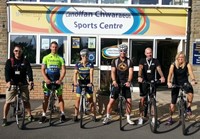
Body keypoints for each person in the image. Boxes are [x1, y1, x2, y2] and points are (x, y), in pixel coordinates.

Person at [2, 45, 34, 126]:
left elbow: (29, 71)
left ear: (22, 52)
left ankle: (29, 115)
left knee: (26, 100)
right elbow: (7, 72)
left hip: (23, 83)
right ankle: (4, 118)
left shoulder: (25, 61)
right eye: (16, 51)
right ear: (13, 51)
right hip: (12, 83)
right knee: (8, 102)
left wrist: (30, 80)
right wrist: (8, 81)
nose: (18, 52)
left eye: (19, 51)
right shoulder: (10, 61)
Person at [102, 44, 135, 125]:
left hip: (125, 83)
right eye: (121, 51)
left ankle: (128, 118)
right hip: (116, 83)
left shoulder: (129, 61)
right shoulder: (115, 61)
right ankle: (107, 116)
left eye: (124, 51)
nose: (122, 52)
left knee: (129, 101)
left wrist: (129, 81)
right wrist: (114, 81)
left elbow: (131, 72)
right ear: (119, 52)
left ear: (126, 52)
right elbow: (113, 71)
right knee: (111, 101)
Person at [166, 51, 197, 125]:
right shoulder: (173, 65)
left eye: (182, 57)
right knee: (172, 104)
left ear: (184, 58)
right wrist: (169, 82)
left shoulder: (187, 64)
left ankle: (188, 108)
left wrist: (193, 80)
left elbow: (191, 73)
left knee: (190, 93)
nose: (180, 59)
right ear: (177, 58)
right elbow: (170, 74)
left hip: (185, 83)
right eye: (179, 57)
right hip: (175, 84)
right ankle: (170, 117)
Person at [39, 41, 66, 123]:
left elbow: (64, 70)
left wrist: (60, 80)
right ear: (50, 48)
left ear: (57, 48)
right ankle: (44, 114)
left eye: (55, 47)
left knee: (60, 97)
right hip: (48, 80)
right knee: (46, 97)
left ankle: (62, 113)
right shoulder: (46, 57)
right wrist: (46, 79)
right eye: (53, 47)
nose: (54, 48)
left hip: (57, 80)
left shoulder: (60, 58)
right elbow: (42, 70)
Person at [137, 47, 165, 125]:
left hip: (152, 82)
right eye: (148, 53)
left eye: (150, 53)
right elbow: (140, 69)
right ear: (145, 54)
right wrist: (139, 76)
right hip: (143, 81)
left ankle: (153, 117)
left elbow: (158, 69)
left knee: (153, 99)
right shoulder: (142, 60)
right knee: (143, 99)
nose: (149, 54)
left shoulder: (155, 61)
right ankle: (141, 116)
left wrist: (162, 76)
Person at [73, 49, 96, 122]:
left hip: (88, 83)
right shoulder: (78, 64)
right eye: (83, 56)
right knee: (77, 99)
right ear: (81, 56)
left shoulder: (90, 64)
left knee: (90, 99)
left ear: (88, 56)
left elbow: (91, 73)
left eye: (86, 56)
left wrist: (91, 82)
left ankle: (93, 115)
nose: (84, 57)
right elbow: (75, 74)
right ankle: (76, 115)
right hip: (80, 83)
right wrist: (75, 82)